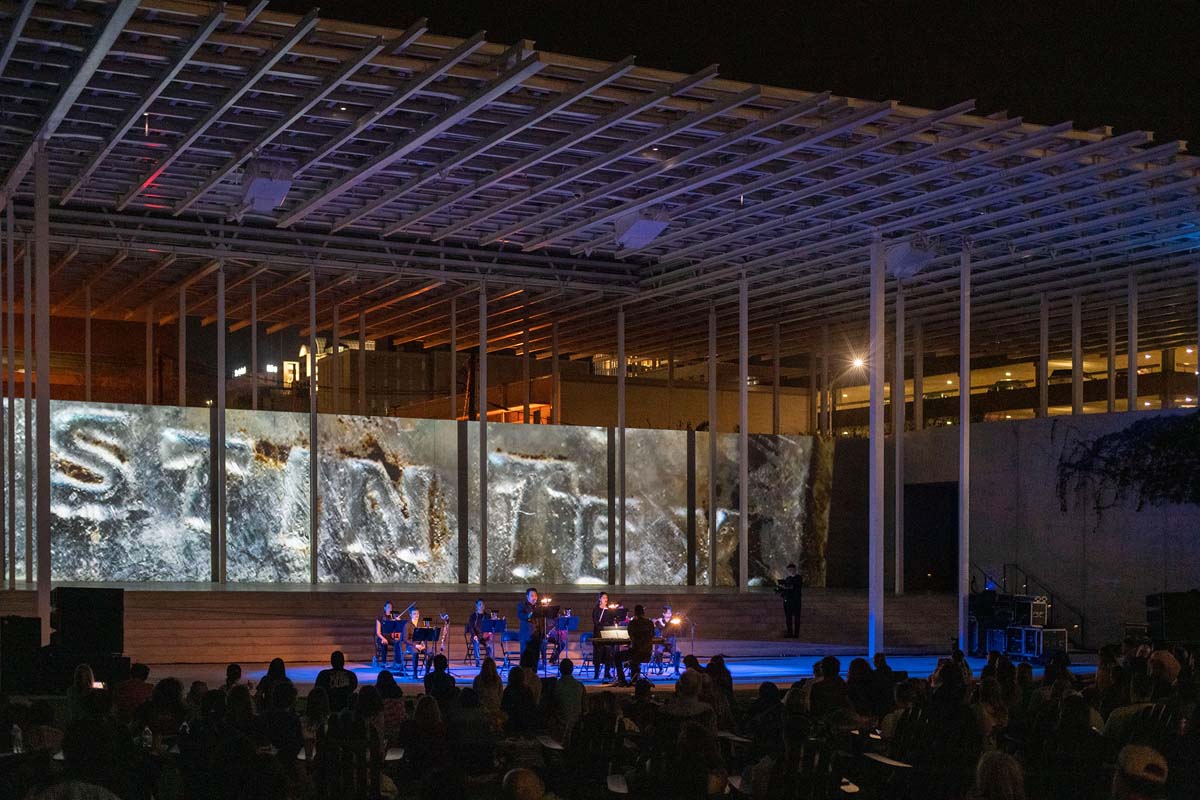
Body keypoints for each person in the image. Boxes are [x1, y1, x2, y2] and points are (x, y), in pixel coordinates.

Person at [614, 605, 655, 686]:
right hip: (647, 653)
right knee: (634, 656)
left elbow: (631, 636)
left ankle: (622, 680)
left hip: (636, 653)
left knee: (617, 656)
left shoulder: (633, 623)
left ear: (635, 613)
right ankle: (634, 678)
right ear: (643, 612)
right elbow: (652, 635)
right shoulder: (650, 623)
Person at [553, 658, 587, 742]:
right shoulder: (580, 686)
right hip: (576, 726)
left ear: (560, 669)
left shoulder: (556, 686)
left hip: (560, 725)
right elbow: (584, 708)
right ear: (572, 669)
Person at [591, 592, 616, 681]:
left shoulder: (609, 610)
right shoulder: (596, 609)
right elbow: (596, 622)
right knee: (598, 654)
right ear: (600, 599)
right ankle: (596, 673)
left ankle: (607, 672)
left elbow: (612, 621)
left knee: (608, 654)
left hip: (607, 634)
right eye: (604, 597)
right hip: (598, 634)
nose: (606, 599)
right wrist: (603, 625)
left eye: (607, 598)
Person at [516, 587, 543, 667]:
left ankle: (534, 674)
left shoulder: (539, 607)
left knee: (536, 657)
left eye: (535, 596)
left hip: (537, 636)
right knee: (525, 658)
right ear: (527, 597)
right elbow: (521, 616)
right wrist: (530, 614)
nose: (534, 598)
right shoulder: (522, 605)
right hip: (526, 636)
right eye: (532, 595)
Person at [653, 606, 683, 676]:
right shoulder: (659, 621)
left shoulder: (674, 621)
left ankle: (676, 669)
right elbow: (661, 629)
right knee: (657, 652)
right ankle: (661, 668)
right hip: (661, 643)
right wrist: (657, 622)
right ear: (663, 614)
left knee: (678, 652)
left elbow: (678, 631)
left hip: (671, 643)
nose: (669, 615)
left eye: (670, 613)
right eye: (667, 613)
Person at [776, 563, 803, 638]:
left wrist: (785, 587)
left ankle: (796, 634)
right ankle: (790, 632)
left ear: (795, 570)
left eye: (791, 570)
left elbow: (793, 587)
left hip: (796, 601)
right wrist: (780, 589)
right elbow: (786, 589)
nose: (790, 571)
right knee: (788, 617)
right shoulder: (788, 578)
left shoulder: (798, 578)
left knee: (797, 617)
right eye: (789, 570)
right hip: (788, 601)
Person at [403, 606, 430, 679]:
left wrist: (423, 643)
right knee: (415, 652)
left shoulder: (421, 624)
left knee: (431, 653)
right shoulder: (407, 625)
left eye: (417, 614)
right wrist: (415, 645)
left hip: (420, 644)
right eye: (414, 614)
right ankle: (415, 674)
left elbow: (424, 636)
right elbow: (405, 640)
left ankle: (427, 673)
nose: (416, 615)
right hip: (411, 645)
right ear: (411, 615)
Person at [466, 598, 493, 666]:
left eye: (483, 604)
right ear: (477, 606)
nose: (481, 606)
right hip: (476, 636)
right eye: (480, 604)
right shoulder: (473, 616)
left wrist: (489, 633)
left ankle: (488, 661)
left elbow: (490, 626)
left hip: (484, 636)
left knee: (489, 644)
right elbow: (471, 627)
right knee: (476, 641)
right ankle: (477, 661)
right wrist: (474, 635)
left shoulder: (487, 616)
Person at [375, 600, 397, 666]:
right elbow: (378, 632)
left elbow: (397, 629)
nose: (390, 609)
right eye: (388, 607)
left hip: (391, 637)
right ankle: (383, 662)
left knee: (398, 643)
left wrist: (398, 621)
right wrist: (383, 638)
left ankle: (397, 662)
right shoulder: (380, 618)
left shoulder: (393, 617)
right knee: (384, 643)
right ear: (384, 608)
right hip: (382, 637)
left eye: (391, 607)